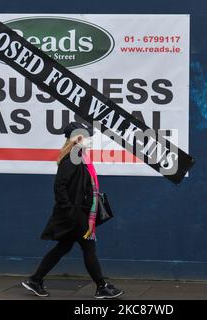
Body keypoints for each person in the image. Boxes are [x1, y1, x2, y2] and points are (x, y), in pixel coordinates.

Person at [21, 121, 124, 299]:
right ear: (77, 139)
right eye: (87, 136)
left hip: (79, 211)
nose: (90, 139)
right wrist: (70, 210)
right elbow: (59, 186)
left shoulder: (80, 157)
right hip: (75, 213)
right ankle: (101, 287)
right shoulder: (71, 159)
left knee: (64, 247)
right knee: (89, 247)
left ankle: (35, 280)